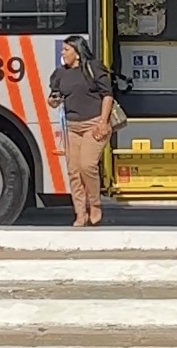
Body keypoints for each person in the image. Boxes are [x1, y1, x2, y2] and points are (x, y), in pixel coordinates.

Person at [47, 35, 113, 227]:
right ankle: (80, 213)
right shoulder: (60, 73)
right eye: (63, 50)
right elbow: (53, 97)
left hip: (94, 124)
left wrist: (103, 121)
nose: (63, 53)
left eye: (66, 50)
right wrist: (53, 101)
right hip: (72, 127)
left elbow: (107, 95)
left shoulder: (93, 68)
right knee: (74, 171)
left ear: (77, 53)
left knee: (87, 166)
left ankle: (95, 204)